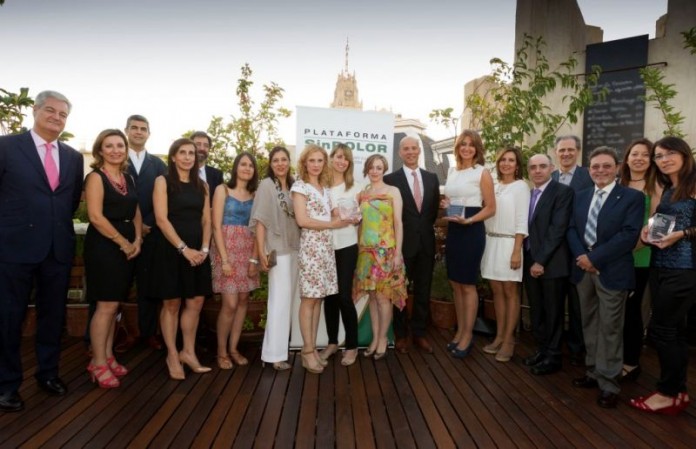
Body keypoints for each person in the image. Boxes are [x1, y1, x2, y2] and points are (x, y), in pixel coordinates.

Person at [0, 91, 84, 412]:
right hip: (13, 249)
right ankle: (6, 384)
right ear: (34, 111)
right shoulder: (6, 147)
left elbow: (70, 201)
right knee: (9, 318)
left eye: (63, 114)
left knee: (53, 316)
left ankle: (48, 374)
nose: (56, 117)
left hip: (57, 249)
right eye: (50, 110)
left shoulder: (73, 157)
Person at [567, 146, 643, 409]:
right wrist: (582, 257)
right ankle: (593, 371)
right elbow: (572, 229)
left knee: (610, 327)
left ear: (617, 168)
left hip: (612, 271)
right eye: (595, 166)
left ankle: (609, 383)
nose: (600, 170)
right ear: (589, 170)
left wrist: (595, 258)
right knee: (589, 323)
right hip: (583, 270)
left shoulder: (632, 197)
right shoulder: (580, 196)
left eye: (606, 166)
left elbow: (629, 235)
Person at [630, 136, 696, 415]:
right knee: (674, 331)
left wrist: (682, 234)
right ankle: (677, 391)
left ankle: (667, 393)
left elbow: (684, 228)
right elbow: (664, 223)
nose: (664, 159)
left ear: (684, 154)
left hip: (685, 268)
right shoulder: (669, 189)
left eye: (669, 153)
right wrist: (649, 230)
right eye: (659, 156)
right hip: (660, 265)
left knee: (662, 331)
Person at [150, 138, 213, 380]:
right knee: (172, 304)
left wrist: (204, 248)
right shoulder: (162, 181)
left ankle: (188, 352)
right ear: (173, 157)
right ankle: (172, 355)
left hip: (198, 250)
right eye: (182, 153)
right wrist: (183, 249)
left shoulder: (202, 186)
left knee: (196, 302)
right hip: (171, 249)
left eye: (191, 153)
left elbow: (206, 220)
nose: (188, 157)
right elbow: (161, 219)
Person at [84, 129, 142, 388]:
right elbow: (96, 217)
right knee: (105, 306)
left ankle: (108, 356)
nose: (116, 150)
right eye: (109, 146)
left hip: (128, 245)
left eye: (120, 145)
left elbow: (136, 210)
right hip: (105, 247)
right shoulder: (95, 177)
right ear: (100, 150)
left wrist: (137, 239)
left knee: (115, 305)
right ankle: (97, 362)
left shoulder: (128, 177)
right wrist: (123, 243)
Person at [292, 144, 347, 373]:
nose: (316, 165)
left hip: (325, 249)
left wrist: (351, 214)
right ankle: (306, 352)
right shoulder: (300, 186)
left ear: (325, 163)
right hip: (311, 248)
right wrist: (332, 224)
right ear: (304, 163)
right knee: (309, 300)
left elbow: (336, 214)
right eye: (311, 160)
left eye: (320, 160)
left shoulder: (325, 189)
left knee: (318, 300)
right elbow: (302, 220)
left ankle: (312, 348)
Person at [384, 136, 441, 354]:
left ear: (419, 151)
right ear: (400, 153)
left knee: (423, 290)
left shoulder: (432, 178)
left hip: (426, 243)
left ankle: (419, 333)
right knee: (400, 290)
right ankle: (400, 335)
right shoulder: (390, 180)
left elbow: (432, 212)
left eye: (413, 148)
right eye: (406, 149)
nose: (410, 152)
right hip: (401, 246)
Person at [442, 130, 496, 358]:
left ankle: (467, 335)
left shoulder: (482, 172)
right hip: (455, 228)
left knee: (467, 284)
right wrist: (447, 205)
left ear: (477, 149)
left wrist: (470, 220)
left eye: (471, 144)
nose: (466, 148)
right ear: (458, 147)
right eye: (463, 144)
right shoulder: (452, 171)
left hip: (472, 229)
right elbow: (453, 200)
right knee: (455, 283)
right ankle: (460, 331)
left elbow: (491, 207)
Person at [250, 146, 300, 371]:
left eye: (284, 159)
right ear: (270, 164)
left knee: (288, 302)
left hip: (295, 248)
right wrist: (261, 252)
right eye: (275, 160)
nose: (280, 164)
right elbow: (260, 220)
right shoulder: (267, 185)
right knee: (278, 302)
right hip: (277, 250)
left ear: (289, 162)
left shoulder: (294, 185)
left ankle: (281, 350)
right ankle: (273, 355)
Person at [522, 154, 574, 376]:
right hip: (530, 261)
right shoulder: (529, 194)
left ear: (551, 168)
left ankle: (553, 356)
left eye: (542, 166)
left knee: (553, 312)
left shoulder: (563, 192)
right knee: (537, 310)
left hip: (551, 263)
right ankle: (542, 350)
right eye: (533, 167)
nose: (537, 170)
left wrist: (540, 261)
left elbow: (557, 229)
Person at [353, 154, 408, 359]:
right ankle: (375, 338)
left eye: (378, 167)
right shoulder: (362, 194)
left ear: (384, 169)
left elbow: (398, 223)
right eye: (371, 167)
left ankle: (384, 338)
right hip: (366, 253)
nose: (374, 171)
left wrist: (398, 253)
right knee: (373, 297)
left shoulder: (393, 191)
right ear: (366, 170)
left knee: (384, 298)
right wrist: (358, 249)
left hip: (387, 253)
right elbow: (360, 224)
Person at [211, 152, 260, 370]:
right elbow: (215, 226)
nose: (247, 168)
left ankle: (233, 349)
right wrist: (224, 260)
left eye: (251, 165)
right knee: (229, 303)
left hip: (247, 249)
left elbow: (259, 228)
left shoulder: (255, 194)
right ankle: (221, 352)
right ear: (235, 167)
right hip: (227, 249)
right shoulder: (222, 190)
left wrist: (254, 260)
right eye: (243, 164)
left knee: (243, 300)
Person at [480, 147, 529, 362]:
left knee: (510, 291)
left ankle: (509, 340)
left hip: (510, 244)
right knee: (497, 291)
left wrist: (517, 251)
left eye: (511, 160)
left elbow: (521, 220)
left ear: (517, 165)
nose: (506, 163)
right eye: (503, 160)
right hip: (491, 242)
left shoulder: (521, 187)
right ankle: (499, 336)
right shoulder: (495, 186)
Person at [617, 138, 661, 382]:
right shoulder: (619, 183)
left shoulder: (656, 186)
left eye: (645, 154)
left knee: (633, 312)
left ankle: (631, 362)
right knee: (616, 312)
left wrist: (628, 248)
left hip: (639, 257)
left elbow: (657, 228)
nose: (639, 158)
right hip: (616, 258)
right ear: (627, 158)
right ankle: (615, 357)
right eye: (635, 154)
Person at [125, 115, 167, 351]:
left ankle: (148, 333)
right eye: (134, 128)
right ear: (127, 130)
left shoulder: (158, 164)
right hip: (120, 233)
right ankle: (106, 337)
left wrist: (146, 224)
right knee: (113, 289)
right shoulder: (116, 157)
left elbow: (166, 196)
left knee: (148, 288)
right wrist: (133, 225)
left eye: (143, 129)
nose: (139, 132)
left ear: (149, 134)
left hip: (151, 233)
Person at [551, 135, 593, 366]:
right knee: (555, 302)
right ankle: (555, 346)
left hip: (580, 249)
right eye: (561, 150)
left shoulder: (589, 176)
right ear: (555, 152)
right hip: (555, 252)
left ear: (578, 151)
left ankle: (578, 349)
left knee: (579, 304)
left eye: (570, 149)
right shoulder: (550, 177)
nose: (566, 153)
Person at [320, 144, 361, 366]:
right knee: (330, 296)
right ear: (331, 158)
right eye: (338, 156)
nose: (341, 161)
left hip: (347, 245)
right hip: (325, 246)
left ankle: (352, 346)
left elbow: (360, 217)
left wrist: (355, 218)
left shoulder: (355, 188)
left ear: (349, 163)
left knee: (344, 296)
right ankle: (332, 342)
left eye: (346, 158)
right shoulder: (321, 186)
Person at [192, 131, 224, 206]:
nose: (202, 148)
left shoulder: (217, 175)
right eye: (198, 144)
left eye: (206, 145)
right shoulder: (181, 172)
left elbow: (220, 203)